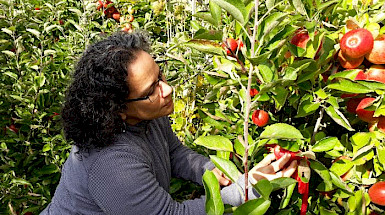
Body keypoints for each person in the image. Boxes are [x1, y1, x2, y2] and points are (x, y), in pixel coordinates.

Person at [40, 31, 298, 215]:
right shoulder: (111, 165)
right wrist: (245, 191)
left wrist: (210, 171)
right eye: (152, 89)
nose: (168, 89)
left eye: (160, 75)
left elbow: (173, 152)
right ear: (116, 109)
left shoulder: (146, 117)